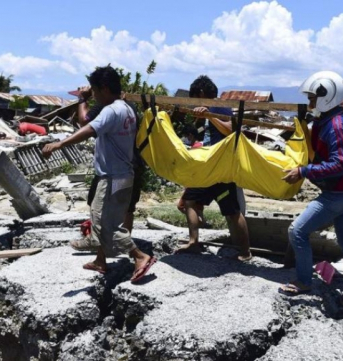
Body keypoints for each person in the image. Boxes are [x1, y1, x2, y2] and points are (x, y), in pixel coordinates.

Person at [42, 66, 156, 282]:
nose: (93, 95)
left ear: (103, 88)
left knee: (108, 224)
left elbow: (88, 129)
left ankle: (140, 257)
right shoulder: (127, 108)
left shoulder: (112, 111)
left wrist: (60, 143)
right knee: (101, 216)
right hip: (123, 174)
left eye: (94, 90)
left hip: (113, 176)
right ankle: (98, 254)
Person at [280, 71, 343, 316]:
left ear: (325, 97)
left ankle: (304, 280)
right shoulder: (331, 119)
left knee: (297, 231)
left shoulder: (336, 125)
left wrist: (303, 170)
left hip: (337, 195)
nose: (310, 103)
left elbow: (339, 163)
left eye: (312, 98)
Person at [176, 75, 251, 261]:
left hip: (221, 169)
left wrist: (210, 114)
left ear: (201, 93)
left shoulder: (219, 105)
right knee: (189, 202)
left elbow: (231, 129)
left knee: (233, 212)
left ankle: (245, 252)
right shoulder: (207, 110)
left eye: (195, 98)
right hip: (207, 167)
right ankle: (194, 242)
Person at [70, 86, 145, 251]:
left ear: (103, 90)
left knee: (101, 212)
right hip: (132, 164)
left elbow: (84, 122)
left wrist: (83, 99)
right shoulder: (128, 107)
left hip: (113, 170)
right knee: (126, 208)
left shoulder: (107, 107)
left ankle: (133, 252)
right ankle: (105, 255)